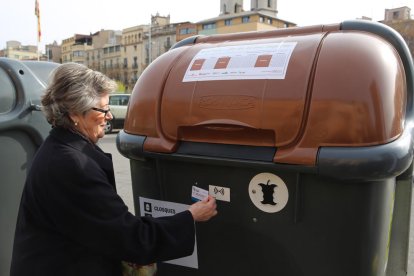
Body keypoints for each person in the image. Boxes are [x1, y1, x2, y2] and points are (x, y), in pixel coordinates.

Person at [10, 62, 217, 276]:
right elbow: (131, 238)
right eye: (103, 108)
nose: (109, 116)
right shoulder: (73, 166)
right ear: (74, 113)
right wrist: (190, 216)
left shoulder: (58, 148)